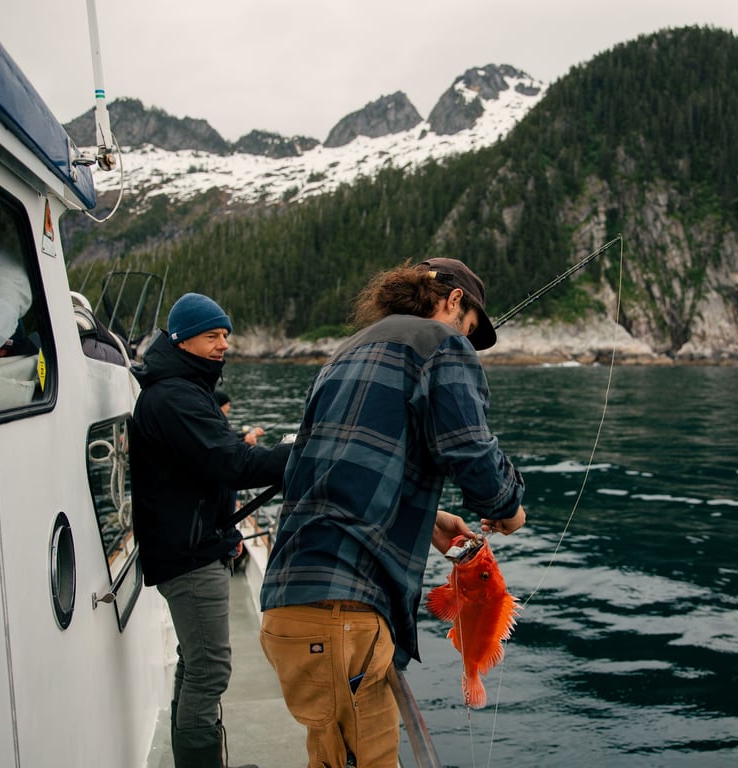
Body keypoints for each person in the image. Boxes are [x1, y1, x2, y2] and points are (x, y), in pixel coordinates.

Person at [259, 257, 527, 768]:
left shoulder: (344, 353)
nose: (466, 344)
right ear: (453, 301)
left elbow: (321, 475)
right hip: (343, 613)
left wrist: (426, 523)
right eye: (469, 330)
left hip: (295, 602)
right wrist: (509, 507)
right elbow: (471, 452)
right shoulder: (441, 344)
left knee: (332, 756)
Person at [130, 292, 291, 768]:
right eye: (211, 336)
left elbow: (211, 463)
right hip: (189, 553)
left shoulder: (182, 386)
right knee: (210, 668)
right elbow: (232, 462)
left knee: (195, 662)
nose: (223, 344)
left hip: (194, 542)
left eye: (225, 335)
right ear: (182, 340)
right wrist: (302, 452)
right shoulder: (175, 396)